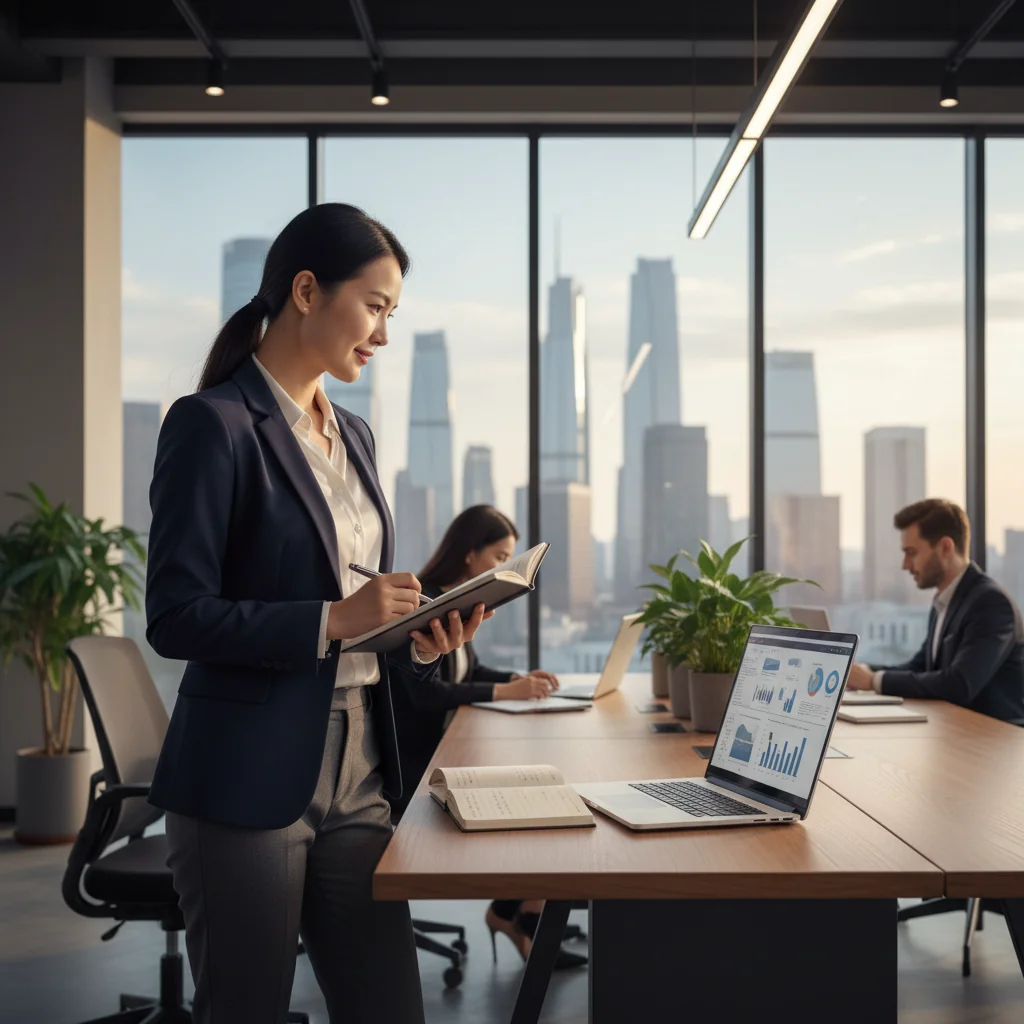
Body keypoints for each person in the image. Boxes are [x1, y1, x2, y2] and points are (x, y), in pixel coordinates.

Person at [145, 203, 493, 1024]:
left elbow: (358, 606)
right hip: (244, 774)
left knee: (388, 1008)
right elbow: (175, 615)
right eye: (374, 307)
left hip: (360, 766)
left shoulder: (358, 436)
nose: (382, 333)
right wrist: (331, 620)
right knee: (246, 1009)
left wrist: (416, 635)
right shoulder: (213, 425)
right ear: (306, 290)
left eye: (391, 314)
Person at [390, 504, 586, 969]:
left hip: (445, 748)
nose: (503, 568)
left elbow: (466, 670)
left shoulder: (457, 604)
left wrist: (520, 677)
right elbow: (425, 694)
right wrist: (505, 691)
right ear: (469, 554)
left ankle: (516, 911)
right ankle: (521, 913)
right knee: (539, 798)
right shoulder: (429, 605)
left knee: (545, 790)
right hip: (416, 766)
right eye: (499, 556)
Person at [846, 498, 1024, 722]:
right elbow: (920, 667)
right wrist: (863, 671)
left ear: (945, 548)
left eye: (912, 552)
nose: (906, 565)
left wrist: (873, 681)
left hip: (990, 743)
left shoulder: (991, 604)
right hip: (952, 731)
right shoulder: (945, 600)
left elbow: (959, 683)